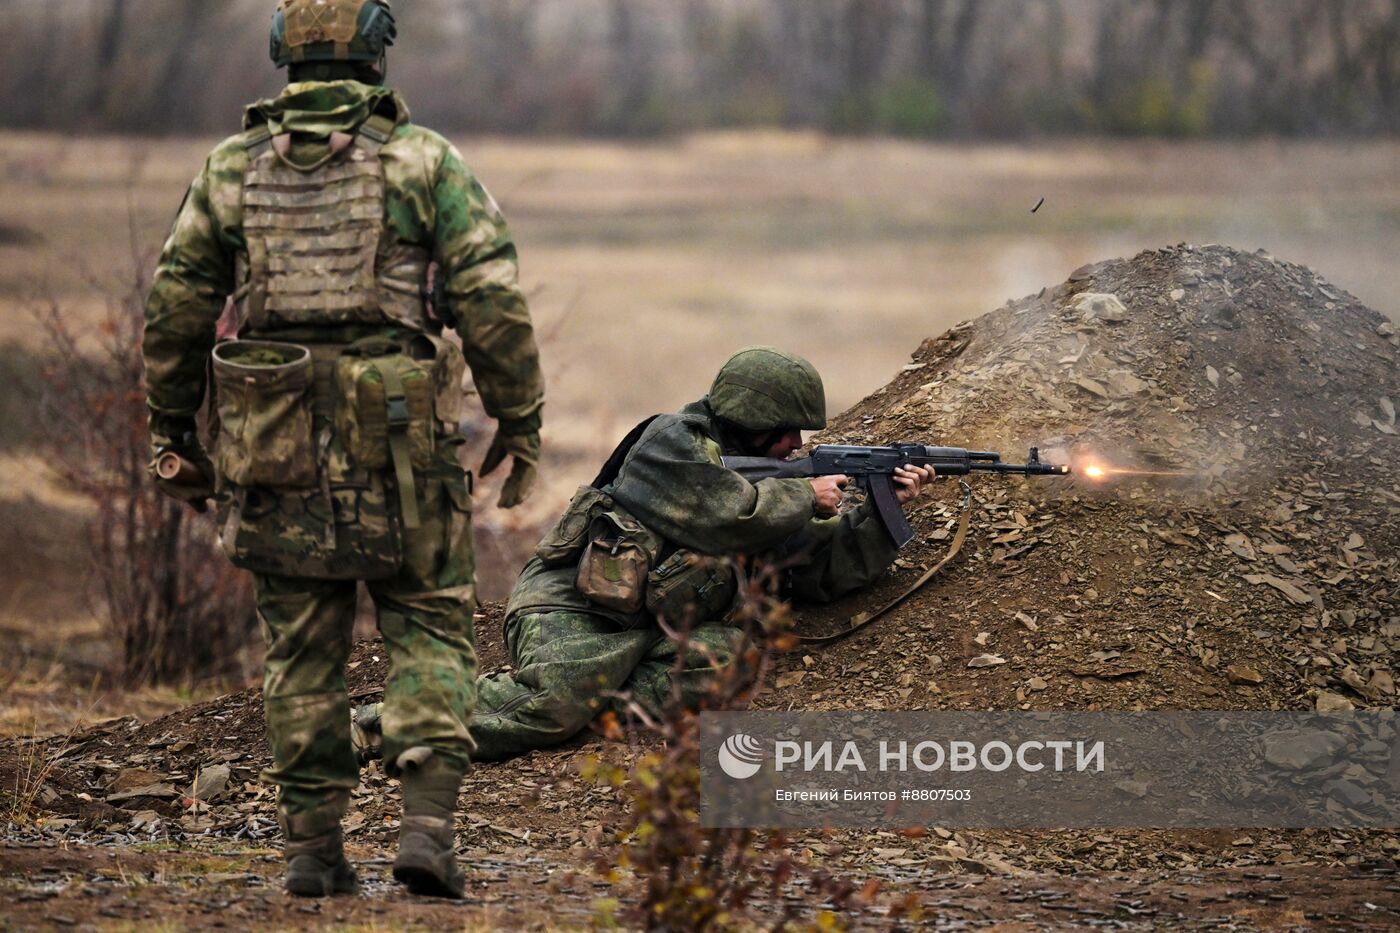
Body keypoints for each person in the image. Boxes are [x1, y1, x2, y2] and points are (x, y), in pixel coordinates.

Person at [141, 0, 543, 900]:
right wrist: (521, 419)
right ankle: (428, 827)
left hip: (268, 437)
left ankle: (314, 850)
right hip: (399, 442)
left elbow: (175, 305)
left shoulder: (232, 169)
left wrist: (171, 427)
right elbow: (492, 300)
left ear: (283, 54)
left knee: (302, 650)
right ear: (375, 52)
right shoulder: (421, 161)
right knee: (432, 626)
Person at [353, 346, 933, 762]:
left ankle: (574, 700)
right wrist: (805, 493)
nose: (796, 447)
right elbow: (727, 513)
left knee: (727, 660)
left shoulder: (770, 484)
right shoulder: (673, 444)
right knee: (552, 706)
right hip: (577, 609)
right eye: (787, 433)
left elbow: (820, 572)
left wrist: (881, 513)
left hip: (653, 628)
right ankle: (375, 728)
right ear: (754, 424)